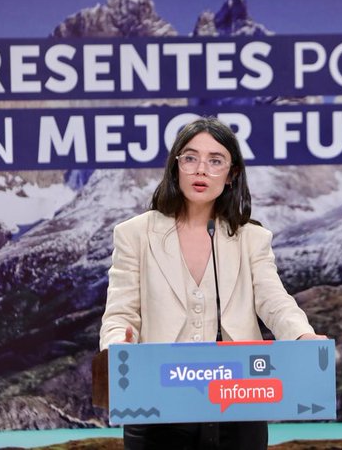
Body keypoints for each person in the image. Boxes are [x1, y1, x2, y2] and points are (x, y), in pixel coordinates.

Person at [99, 116, 326, 450]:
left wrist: (303, 336)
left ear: (232, 174)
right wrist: (119, 347)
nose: (201, 170)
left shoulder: (251, 238)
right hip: (159, 403)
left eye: (215, 160)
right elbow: (120, 314)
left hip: (238, 401)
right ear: (176, 166)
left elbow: (274, 300)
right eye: (190, 158)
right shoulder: (134, 234)